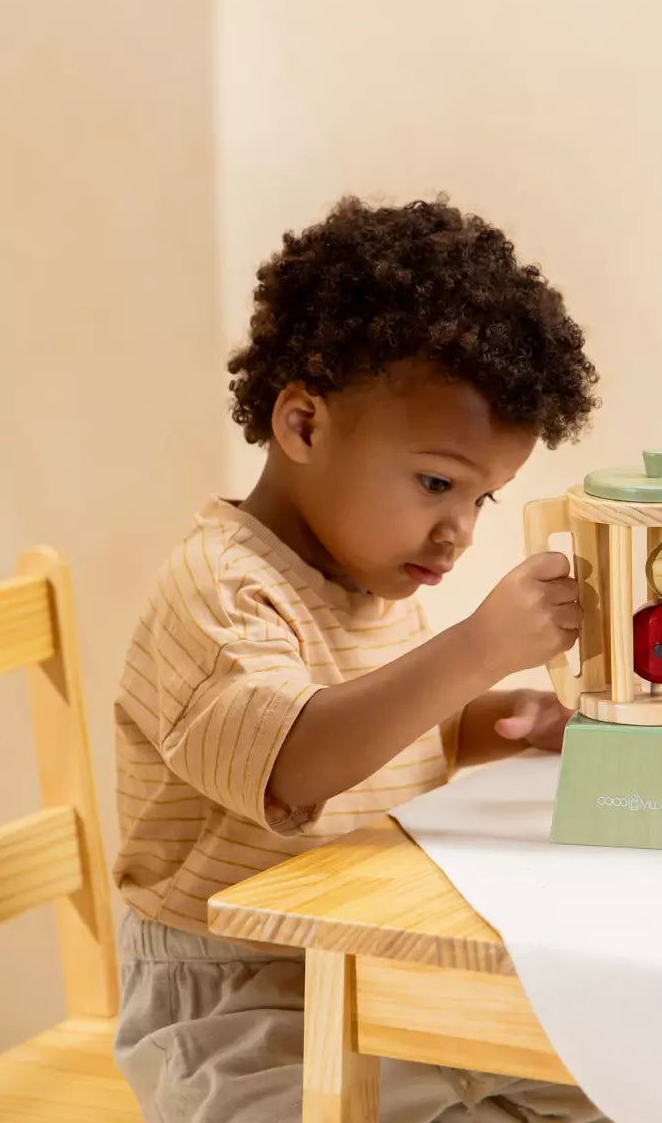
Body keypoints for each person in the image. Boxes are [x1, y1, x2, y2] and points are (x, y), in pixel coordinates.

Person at [113, 196, 604, 1122]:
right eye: (435, 483)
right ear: (302, 424)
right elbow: (296, 765)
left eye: (482, 500)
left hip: (364, 962)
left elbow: (374, 736)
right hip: (236, 1007)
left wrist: (490, 721)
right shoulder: (221, 591)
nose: (456, 530)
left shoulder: (357, 580)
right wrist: (477, 644)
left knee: (620, 1079)